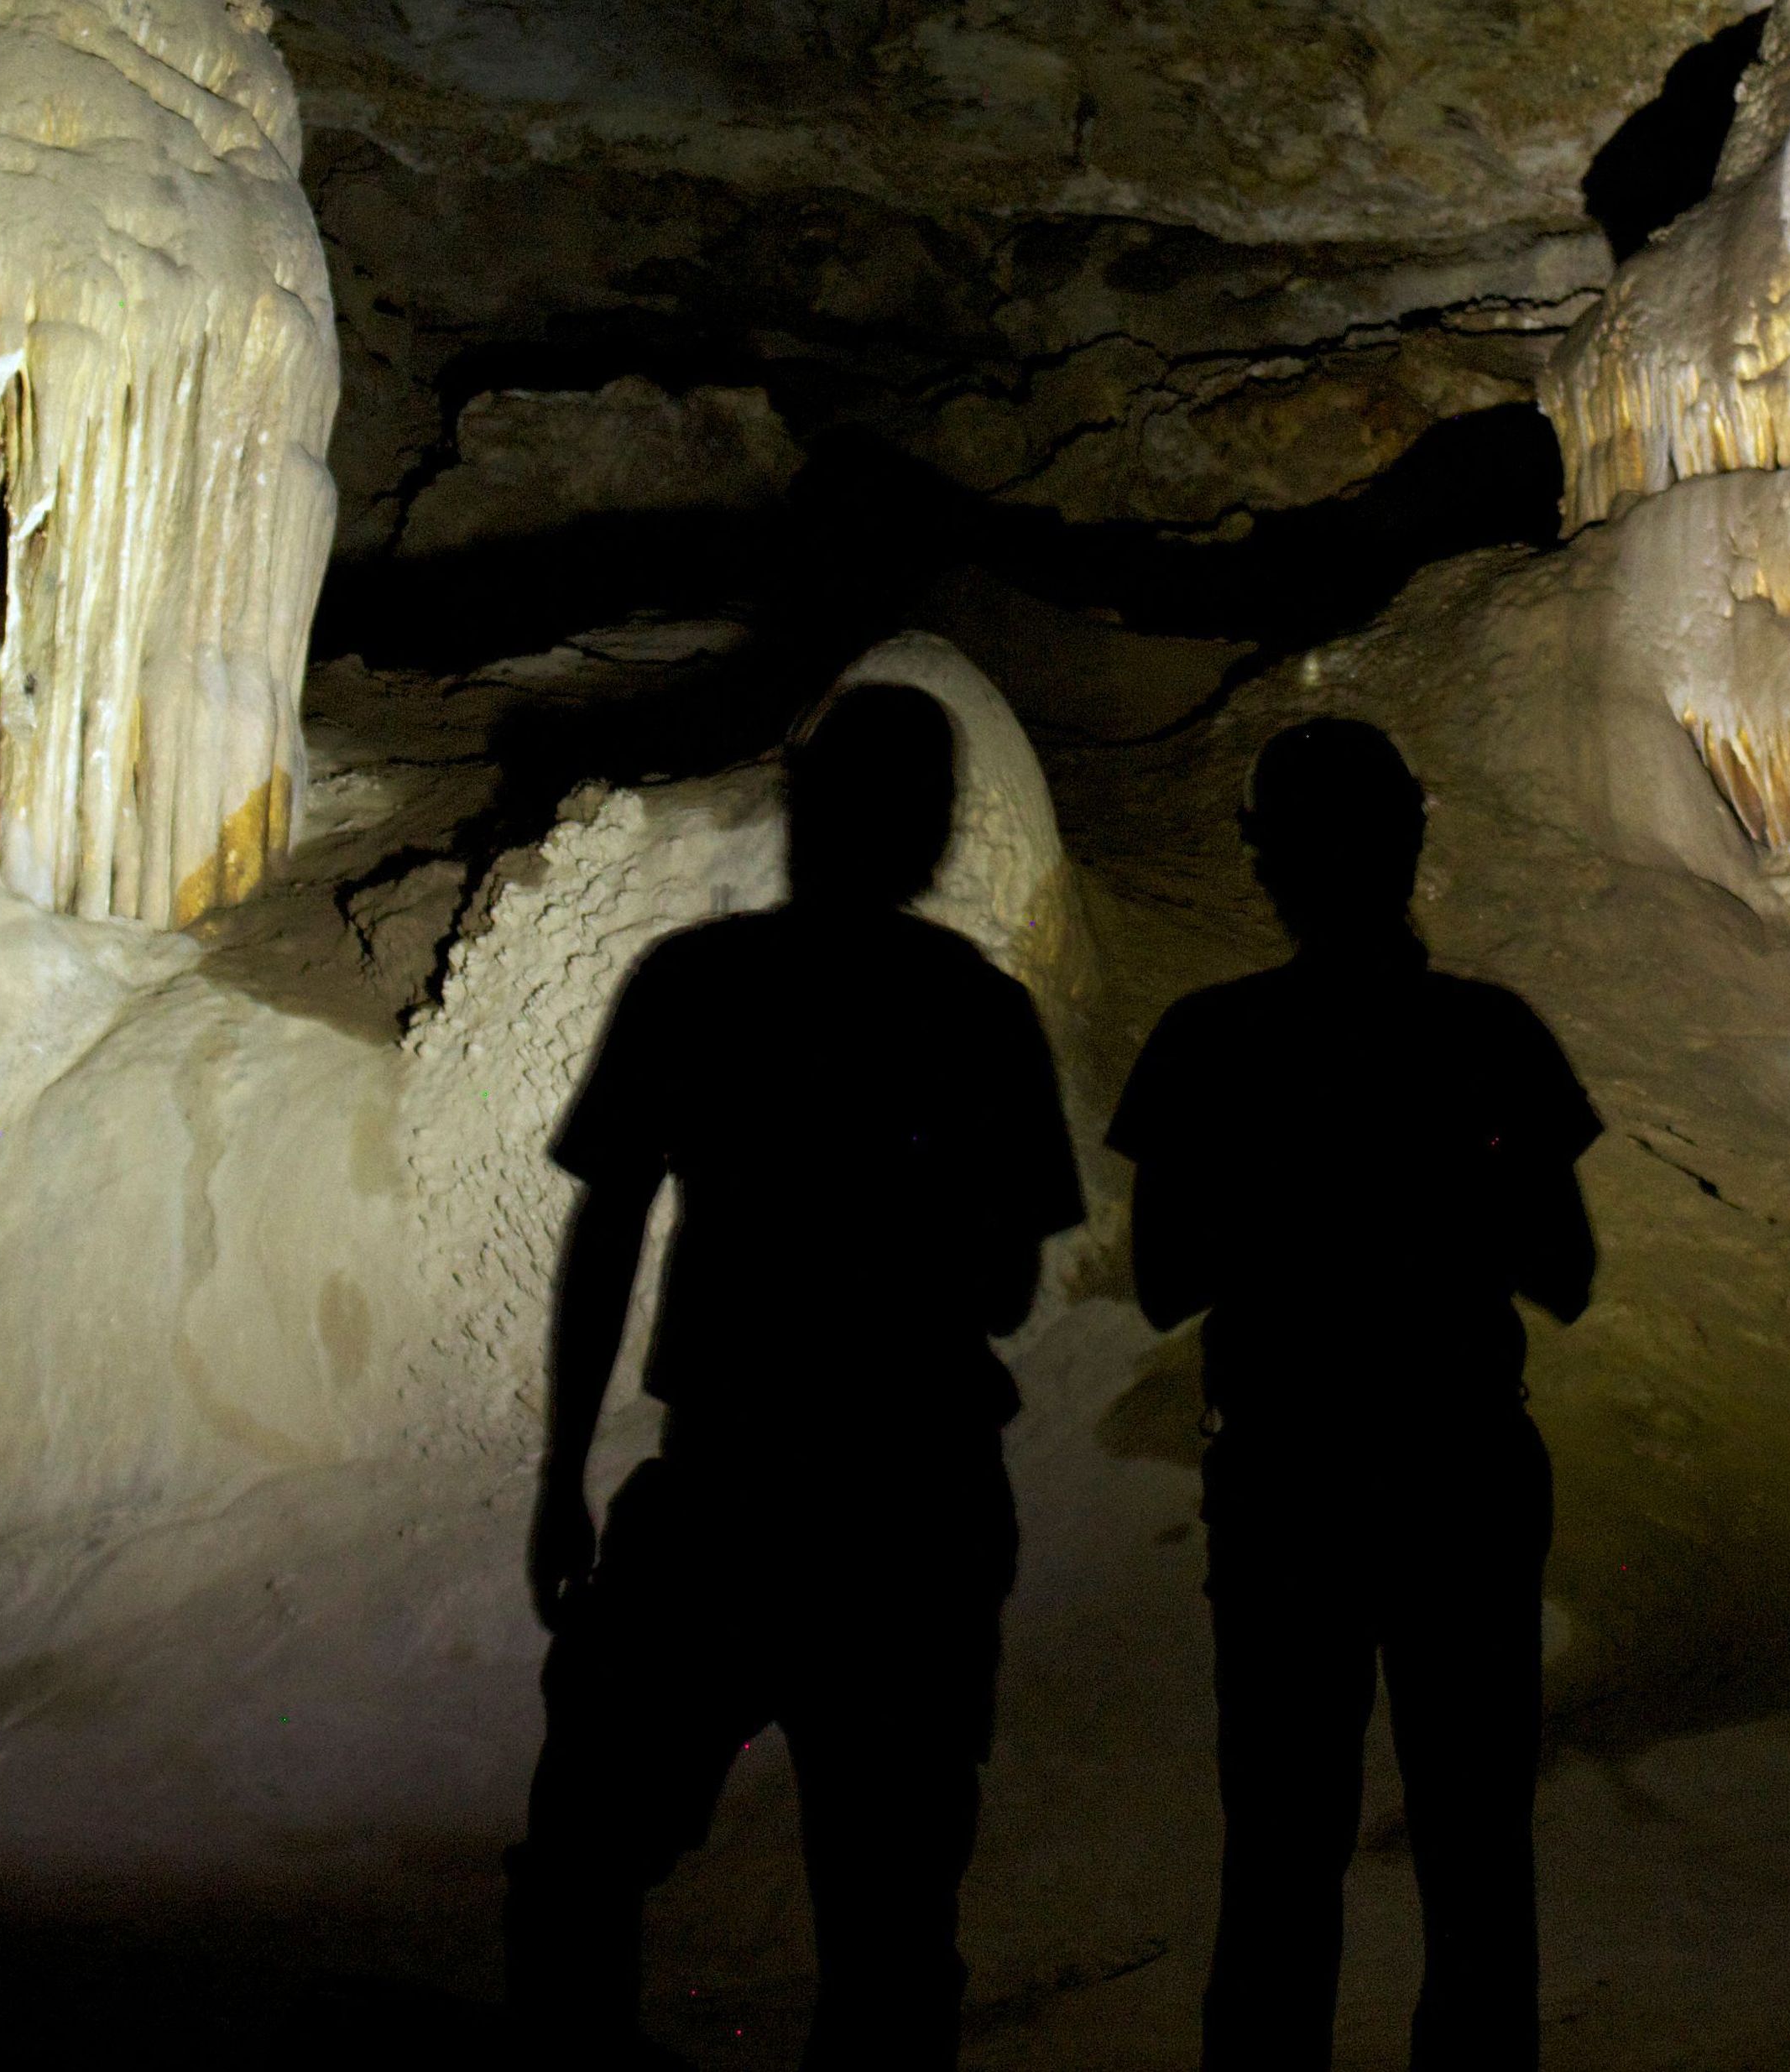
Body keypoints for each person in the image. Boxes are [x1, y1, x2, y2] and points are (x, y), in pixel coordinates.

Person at [506, 680, 1086, 2071]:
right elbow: (1007, 1288)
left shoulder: (696, 982)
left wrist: (563, 1471)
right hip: (914, 1501)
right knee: (890, 1919)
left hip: (730, 1483)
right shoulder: (980, 1011)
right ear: (938, 835)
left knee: (584, 1852)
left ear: (802, 810)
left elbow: (605, 1230)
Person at [1108, 716, 1600, 2072]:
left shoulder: (1210, 1041)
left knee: (1278, 1857)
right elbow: (1566, 1269)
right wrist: (1453, 1189)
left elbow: (1160, 1281)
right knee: (1476, 1853)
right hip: (1459, 1477)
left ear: (1267, 865)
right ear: (1410, 845)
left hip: (1289, 1489)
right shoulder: (1488, 1036)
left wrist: (1291, 1208)